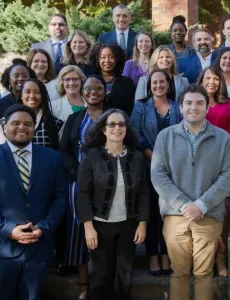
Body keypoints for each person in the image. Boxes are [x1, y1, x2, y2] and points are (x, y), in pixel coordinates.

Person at [0, 104, 68, 300]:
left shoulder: (53, 158)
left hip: (38, 249)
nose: (22, 127)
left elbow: (60, 198)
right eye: (15, 123)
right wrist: (8, 229)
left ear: (34, 128)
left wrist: (43, 228)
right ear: (5, 127)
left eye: (27, 124)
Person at [151, 85, 230, 300]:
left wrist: (201, 205)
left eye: (200, 103)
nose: (194, 107)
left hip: (208, 215)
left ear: (207, 108)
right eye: (188, 103)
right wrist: (183, 204)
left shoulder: (223, 138)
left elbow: (228, 176)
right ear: (180, 107)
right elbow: (158, 175)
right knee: (179, 273)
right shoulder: (165, 137)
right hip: (175, 215)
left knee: (204, 273)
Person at [77, 109, 150, 300]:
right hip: (99, 226)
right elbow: (83, 193)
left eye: (121, 124)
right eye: (112, 124)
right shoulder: (92, 156)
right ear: (103, 129)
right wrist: (88, 226)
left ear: (126, 129)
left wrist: (142, 223)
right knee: (100, 278)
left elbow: (143, 193)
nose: (117, 128)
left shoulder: (137, 157)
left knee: (124, 278)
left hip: (129, 224)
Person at [58, 75, 106, 300]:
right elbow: (64, 150)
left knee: (104, 232)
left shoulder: (113, 116)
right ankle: (84, 285)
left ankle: (103, 283)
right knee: (81, 233)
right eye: (88, 88)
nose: (93, 91)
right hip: (79, 181)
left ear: (105, 91)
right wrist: (78, 172)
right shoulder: (74, 118)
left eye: (98, 88)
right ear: (82, 92)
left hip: (109, 182)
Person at [133, 69, 184, 276]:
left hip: (173, 168)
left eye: (162, 82)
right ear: (149, 86)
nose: (158, 85)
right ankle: (153, 255)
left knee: (169, 214)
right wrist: (152, 155)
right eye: (154, 82)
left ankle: (166, 254)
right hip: (148, 166)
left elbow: (184, 132)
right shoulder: (141, 106)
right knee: (152, 212)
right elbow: (135, 133)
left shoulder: (177, 106)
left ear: (168, 84)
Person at [198, 66, 230, 277]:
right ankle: (207, 257)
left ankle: (221, 259)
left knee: (226, 212)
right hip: (201, 165)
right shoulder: (196, 103)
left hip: (224, 163)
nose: (212, 82)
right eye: (208, 78)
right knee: (204, 213)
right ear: (201, 80)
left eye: (216, 78)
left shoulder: (228, 104)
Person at [0, 79, 63, 150]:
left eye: (37, 92)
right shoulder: (5, 122)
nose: (32, 96)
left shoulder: (56, 124)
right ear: (21, 95)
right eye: (28, 92)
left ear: (43, 95)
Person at [89, 43, 137, 114]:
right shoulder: (90, 81)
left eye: (111, 57)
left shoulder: (127, 83)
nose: (107, 60)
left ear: (117, 59)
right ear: (98, 60)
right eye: (103, 57)